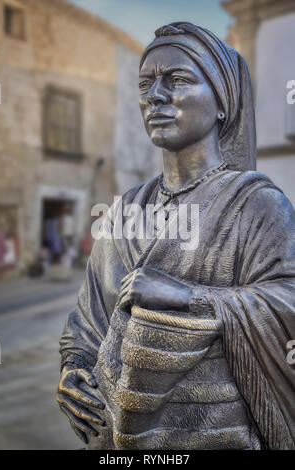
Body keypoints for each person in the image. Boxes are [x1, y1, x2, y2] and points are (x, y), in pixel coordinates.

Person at [56, 23, 295, 450]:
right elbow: (88, 320)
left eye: (179, 79)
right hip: (118, 439)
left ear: (222, 103)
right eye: (145, 83)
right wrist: (74, 368)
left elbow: (289, 301)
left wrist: (191, 296)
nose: (155, 95)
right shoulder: (121, 211)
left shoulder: (257, 205)